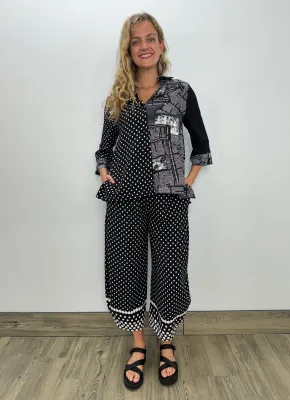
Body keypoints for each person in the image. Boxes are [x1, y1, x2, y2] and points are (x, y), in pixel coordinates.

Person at [94, 12, 212, 390]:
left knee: (170, 272)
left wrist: (187, 180)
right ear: (128, 50)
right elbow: (104, 149)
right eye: (135, 41)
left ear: (161, 45)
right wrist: (104, 171)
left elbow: (202, 146)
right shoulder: (119, 96)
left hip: (169, 200)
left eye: (150, 38)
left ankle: (167, 344)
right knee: (127, 272)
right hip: (124, 199)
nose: (143, 46)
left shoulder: (179, 92)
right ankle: (138, 346)